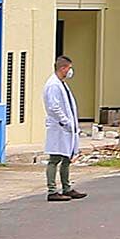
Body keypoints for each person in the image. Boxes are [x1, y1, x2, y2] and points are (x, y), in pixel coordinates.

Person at [44, 53, 86, 201]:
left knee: (67, 157)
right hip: (59, 127)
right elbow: (54, 107)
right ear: (62, 68)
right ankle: (52, 190)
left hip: (66, 127)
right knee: (55, 158)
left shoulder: (61, 83)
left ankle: (66, 187)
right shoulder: (53, 85)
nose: (70, 71)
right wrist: (65, 121)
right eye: (69, 68)